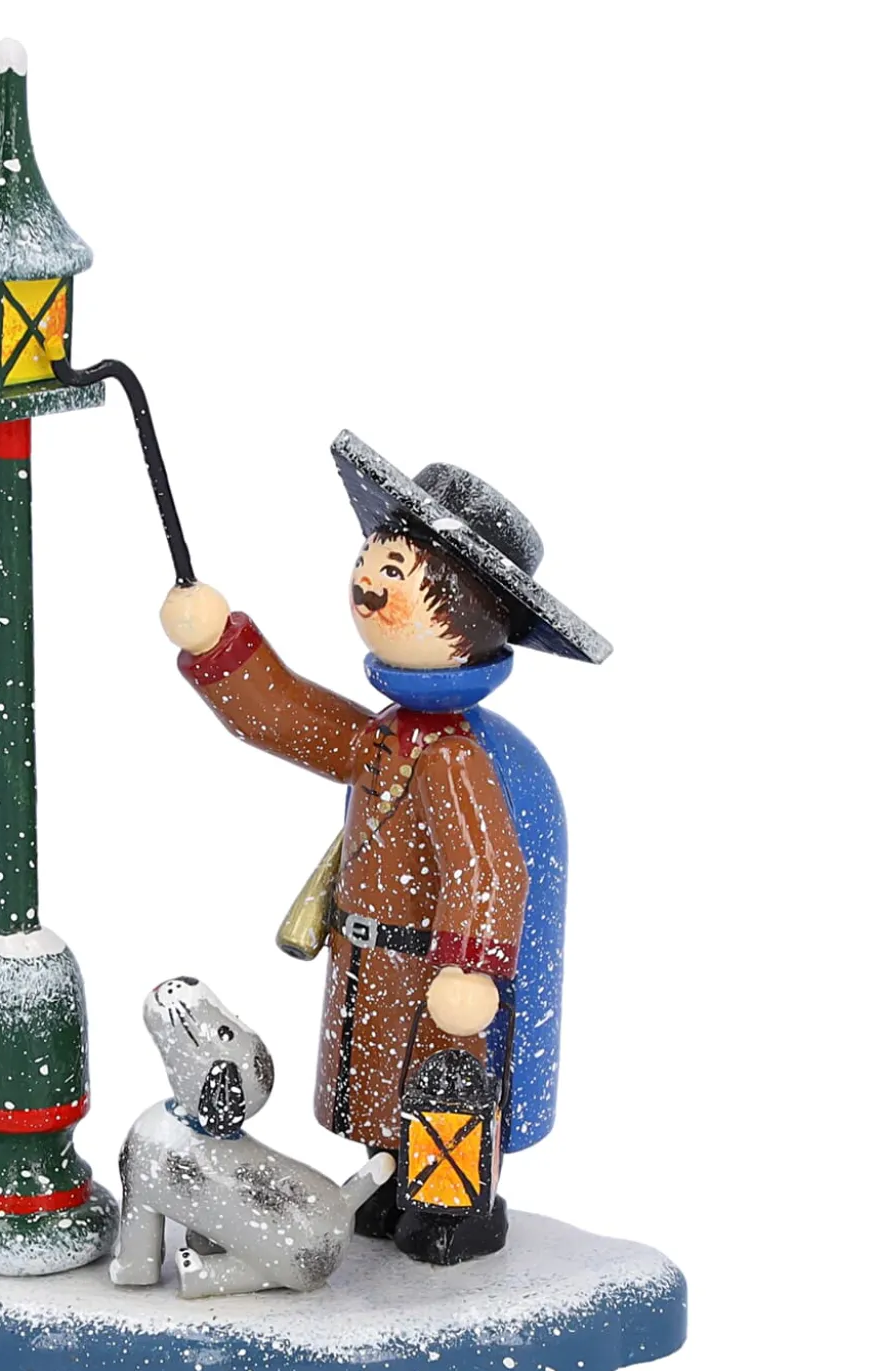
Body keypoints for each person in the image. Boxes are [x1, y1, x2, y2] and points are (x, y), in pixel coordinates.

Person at [160, 430, 610, 1264]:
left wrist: (470, 965)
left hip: (436, 972)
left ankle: (457, 1209)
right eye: (372, 558)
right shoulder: (384, 738)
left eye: (396, 569)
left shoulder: (453, 757)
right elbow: (290, 718)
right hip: (371, 959)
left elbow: (487, 865)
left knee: (442, 1089)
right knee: (377, 1088)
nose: (369, 581)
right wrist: (219, 647)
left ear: (460, 612)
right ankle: (393, 1178)